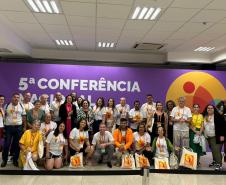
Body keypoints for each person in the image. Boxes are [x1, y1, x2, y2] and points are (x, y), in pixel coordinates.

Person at [1, 93, 26, 167]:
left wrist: (24, 127)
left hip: (18, 127)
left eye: (18, 97)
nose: (16, 98)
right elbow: (3, 116)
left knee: (17, 145)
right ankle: (4, 160)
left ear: (19, 98)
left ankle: (15, 160)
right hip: (8, 127)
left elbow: (24, 117)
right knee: (6, 144)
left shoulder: (21, 106)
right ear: (12, 98)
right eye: (15, 97)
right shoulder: (7, 105)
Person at [203, 104, 225, 170]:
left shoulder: (218, 116)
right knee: (213, 150)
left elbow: (223, 126)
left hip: (216, 136)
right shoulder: (205, 116)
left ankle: (219, 165)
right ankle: (215, 162)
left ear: (214, 109)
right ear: (206, 109)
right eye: (208, 108)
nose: (209, 109)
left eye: (211, 108)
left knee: (216, 151)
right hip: (208, 136)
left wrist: (222, 135)